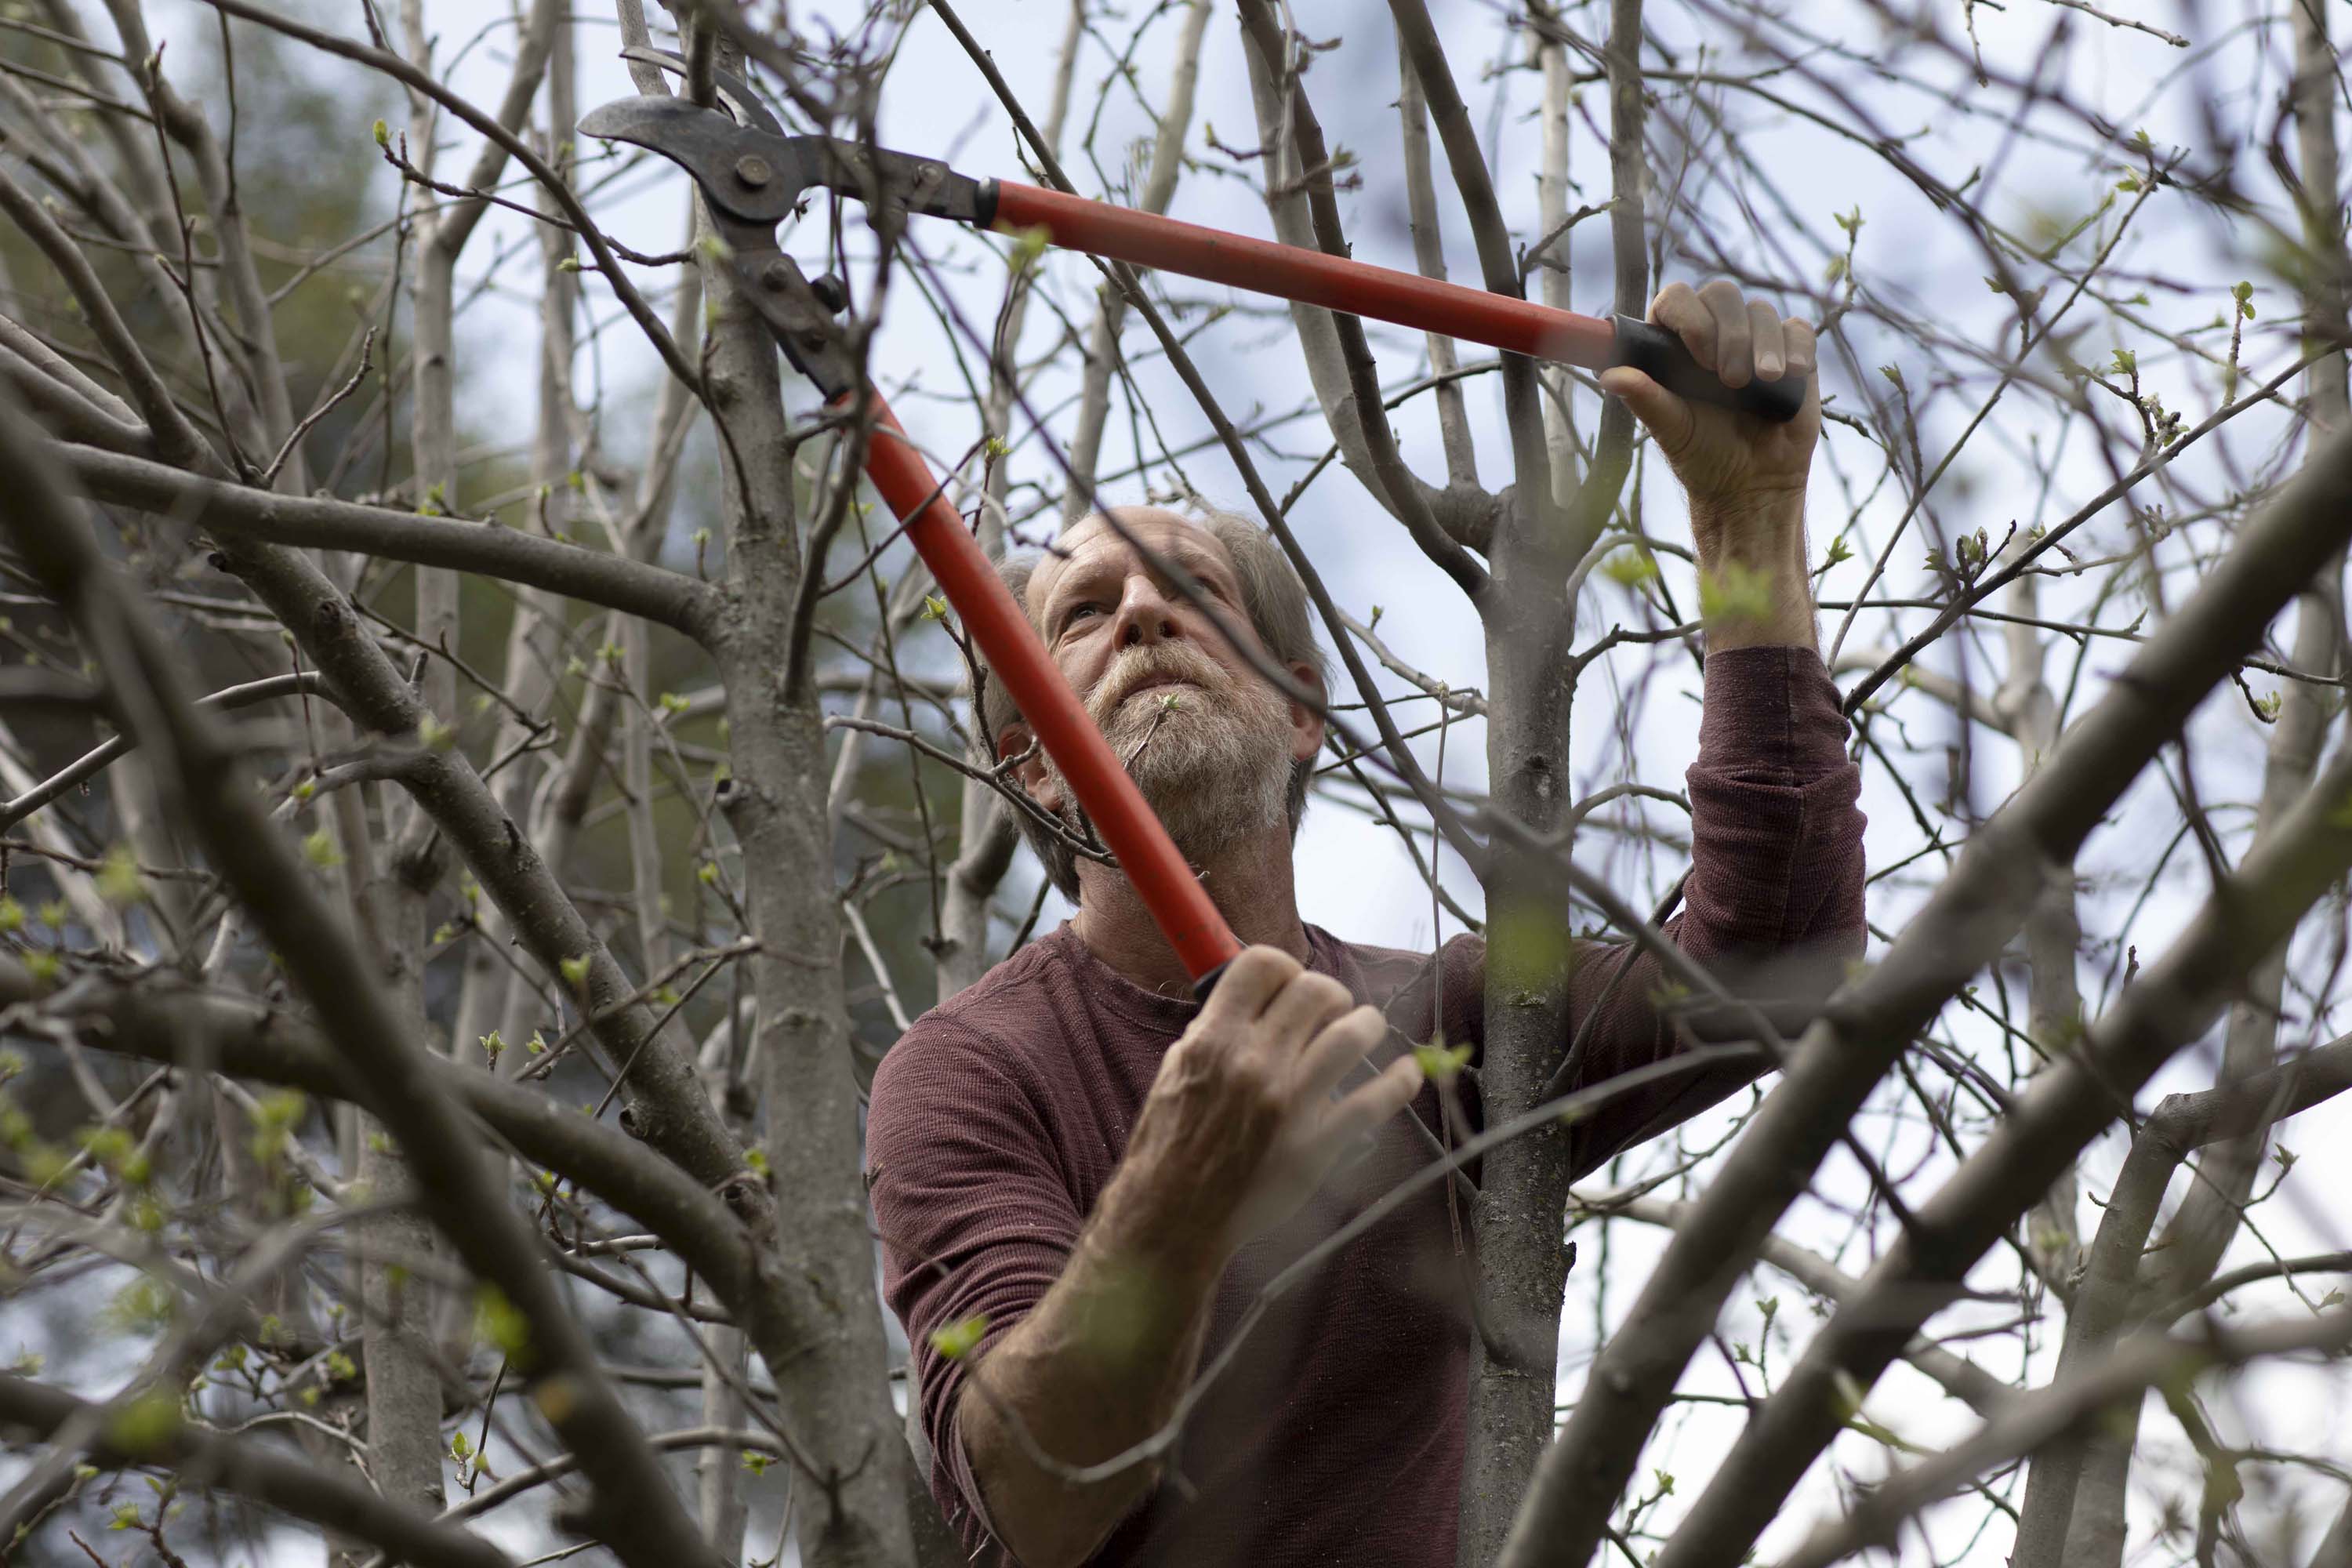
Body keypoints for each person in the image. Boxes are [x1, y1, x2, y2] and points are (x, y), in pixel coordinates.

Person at [864, 281, 1867, 1567]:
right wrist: (1184, 1180)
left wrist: (1747, 529)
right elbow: (1031, 1502)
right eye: (1083, 610)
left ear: (1303, 713)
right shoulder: (968, 1074)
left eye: (1192, 588)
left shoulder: (1443, 1027)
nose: (1144, 614)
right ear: (1031, 761)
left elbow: (1773, 971)